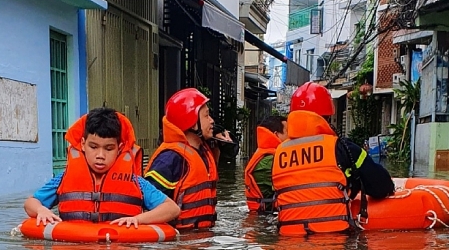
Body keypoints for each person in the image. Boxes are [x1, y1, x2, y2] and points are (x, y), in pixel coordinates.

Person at [272, 82, 395, 235]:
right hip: (334, 241)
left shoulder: (278, 154)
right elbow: (381, 187)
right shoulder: (343, 148)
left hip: (288, 243)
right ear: (328, 116)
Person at [24, 107, 180, 228]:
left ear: (119, 148)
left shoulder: (135, 182)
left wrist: (138, 219)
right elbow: (30, 203)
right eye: (93, 146)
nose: (100, 155)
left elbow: (171, 209)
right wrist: (41, 210)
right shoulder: (63, 179)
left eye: (108, 148)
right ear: (83, 144)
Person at [145, 88, 232, 230]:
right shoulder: (170, 159)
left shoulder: (204, 150)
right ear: (192, 122)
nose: (212, 121)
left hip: (203, 238)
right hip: (180, 243)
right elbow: (148, 203)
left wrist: (221, 143)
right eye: (206, 116)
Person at [244, 115, 288, 213]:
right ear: (276, 135)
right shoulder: (271, 161)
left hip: (262, 216)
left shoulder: (267, 155)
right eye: (288, 132)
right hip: (265, 219)